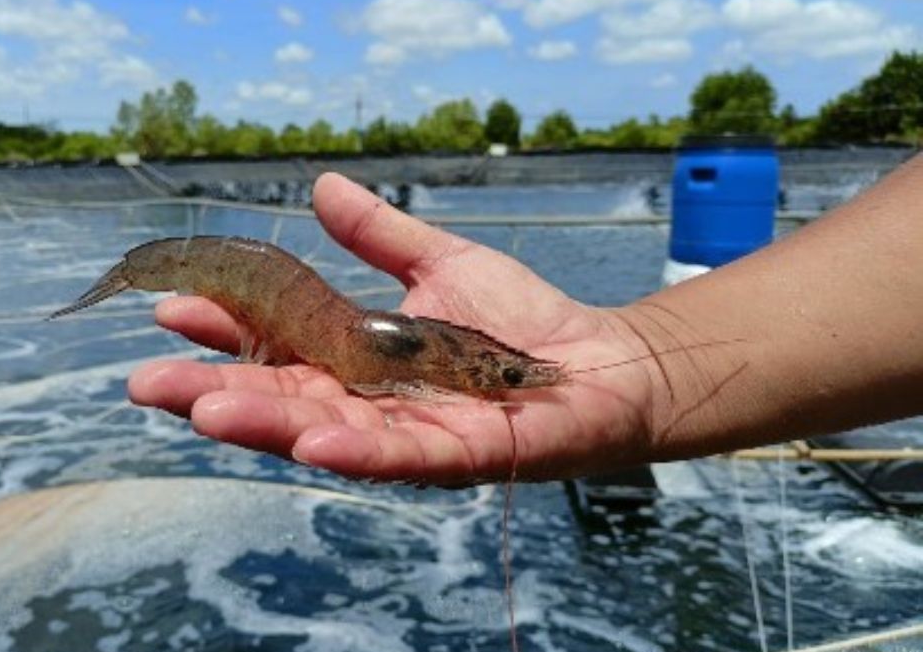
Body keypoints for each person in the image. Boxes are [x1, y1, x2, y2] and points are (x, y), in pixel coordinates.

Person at [128, 158, 923, 486]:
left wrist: (646, 364)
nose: (512, 383)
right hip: (282, 299)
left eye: (503, 374)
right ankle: (143, 268)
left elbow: (432, 360)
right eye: (505, 374)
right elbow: (415, 364)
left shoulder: (428, 355)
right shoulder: (405, 360)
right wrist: (653, 358)